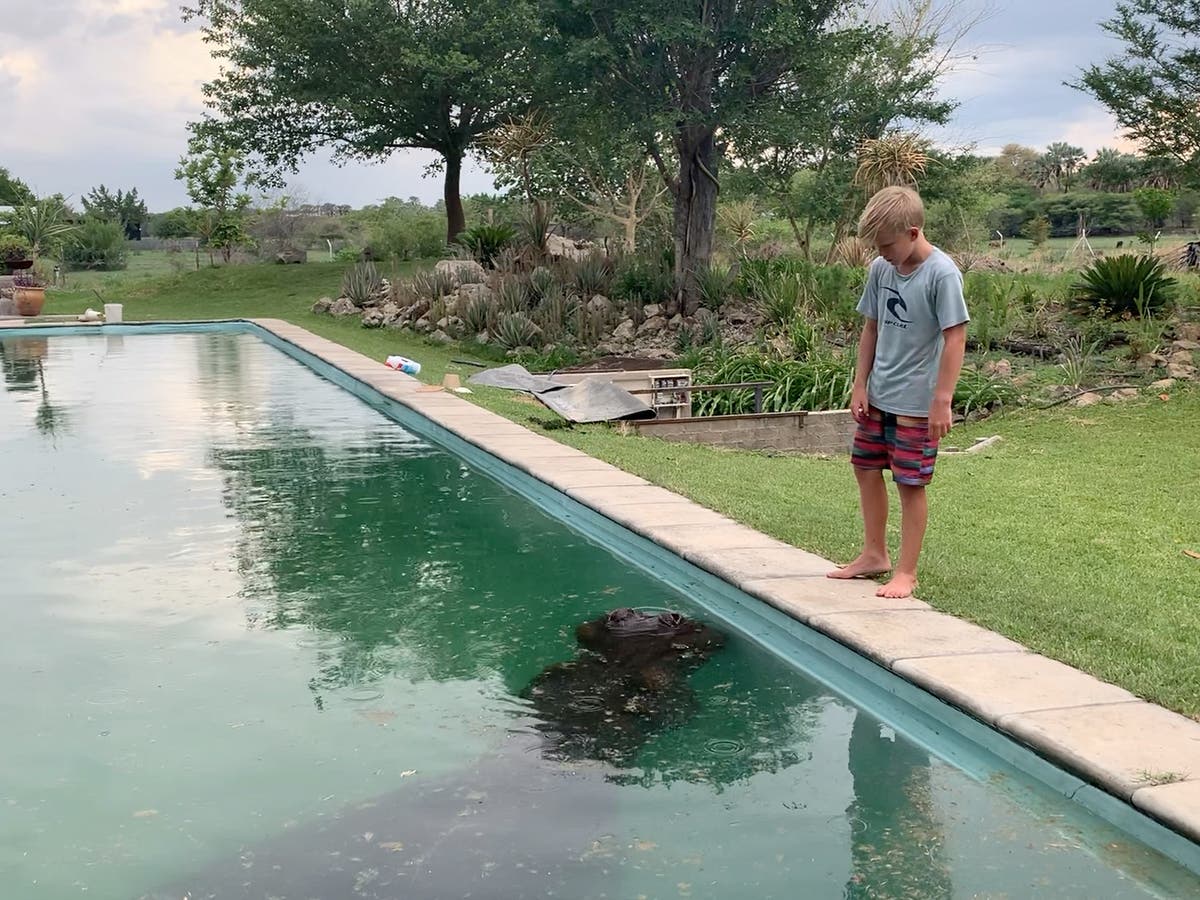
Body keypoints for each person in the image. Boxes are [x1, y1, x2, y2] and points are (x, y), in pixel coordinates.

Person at [828, 186, 968, 598]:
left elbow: (955, 338)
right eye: (877, 245)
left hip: (917, 402)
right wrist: (859, 385)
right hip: (879, 394)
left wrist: (942, 400)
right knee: (865, 468)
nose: (882, 252)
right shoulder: (881, 270)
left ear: (912, 232)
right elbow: (871, 327)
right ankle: (874, 554)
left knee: (910, 482)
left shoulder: (942, 274)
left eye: (887, 244)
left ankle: (906, 572)